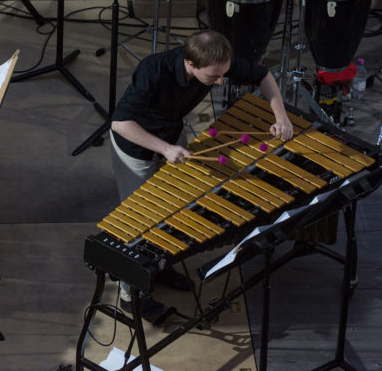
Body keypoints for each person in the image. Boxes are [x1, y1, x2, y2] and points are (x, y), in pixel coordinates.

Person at [110, 30, 293, 319]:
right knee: (140, 222)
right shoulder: (153, 70)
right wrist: (165, 149)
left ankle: (161, 265)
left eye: (223, 74)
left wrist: (281, 117)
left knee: (173, 209)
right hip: (137, 146)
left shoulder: (217, 62)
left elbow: (263, 76)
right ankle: (129, 293)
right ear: (190, 63)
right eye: (213, 77)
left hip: (170, 135)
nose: (220, 82)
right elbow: (120, 122)